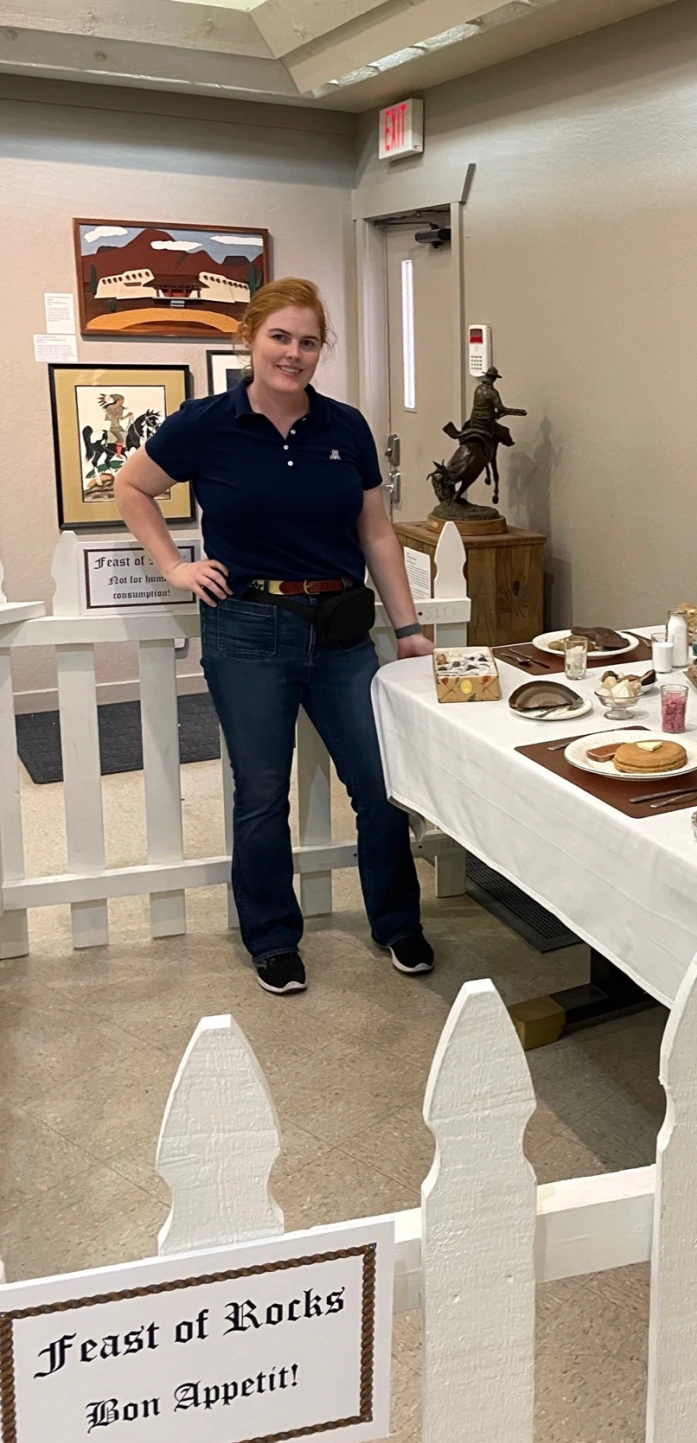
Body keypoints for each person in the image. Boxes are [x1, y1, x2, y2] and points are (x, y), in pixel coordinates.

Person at [114, 277, 434, 995]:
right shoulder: (205, 423)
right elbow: (131, 487)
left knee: (380, 784)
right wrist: (173, 565)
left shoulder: (346, 427)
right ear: (251, 338)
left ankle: (397, 922)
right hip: (249, 625)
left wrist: (407, 626)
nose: (293, 353)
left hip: (344, 629)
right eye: (280, 337)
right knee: (261, 792)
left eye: (308, 341)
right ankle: (271, 936)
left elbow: (376, 531)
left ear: (323, 350)